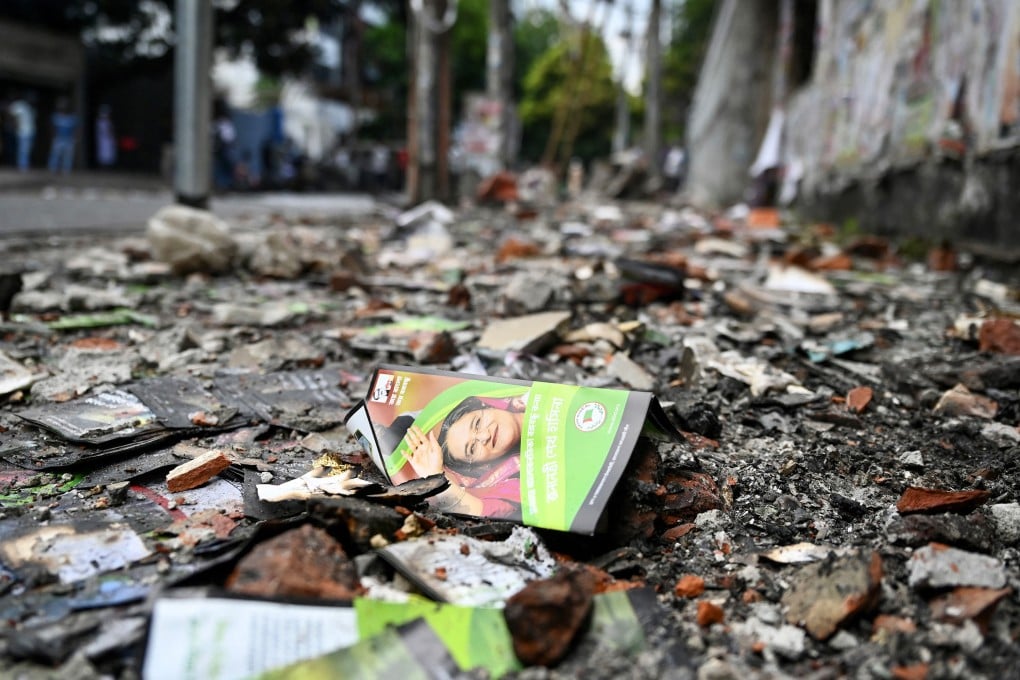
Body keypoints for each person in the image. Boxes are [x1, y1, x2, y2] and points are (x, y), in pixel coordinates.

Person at [400, 393, 528, 520]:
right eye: (472, 449)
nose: (484, 436)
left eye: (477, 424)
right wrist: (436, 477)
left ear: (486, 406)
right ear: (483, 465)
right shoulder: (520, 483)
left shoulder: (524, 392)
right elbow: (485, 513)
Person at [47, 97, 79, 174]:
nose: (63, 107)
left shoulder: (72, 117)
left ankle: (66, 171)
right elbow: (52, 128)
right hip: (58, 138)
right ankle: (52, 170)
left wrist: (75, 138)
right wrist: (53, 136)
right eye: (61, 105)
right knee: (55, 155)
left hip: (69, 139)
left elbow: (76, 129)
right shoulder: (55, 116)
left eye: (64, 105)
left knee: (68, 157)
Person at [8, 93, 35, 172]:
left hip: (30, 131)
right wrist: (15, 126)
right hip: (23, 131)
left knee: (26, 150)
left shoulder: (29, 106)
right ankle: (22, 167)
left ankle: (23, 165)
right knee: (23, 150)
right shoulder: (18, 105)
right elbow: (11, 116)